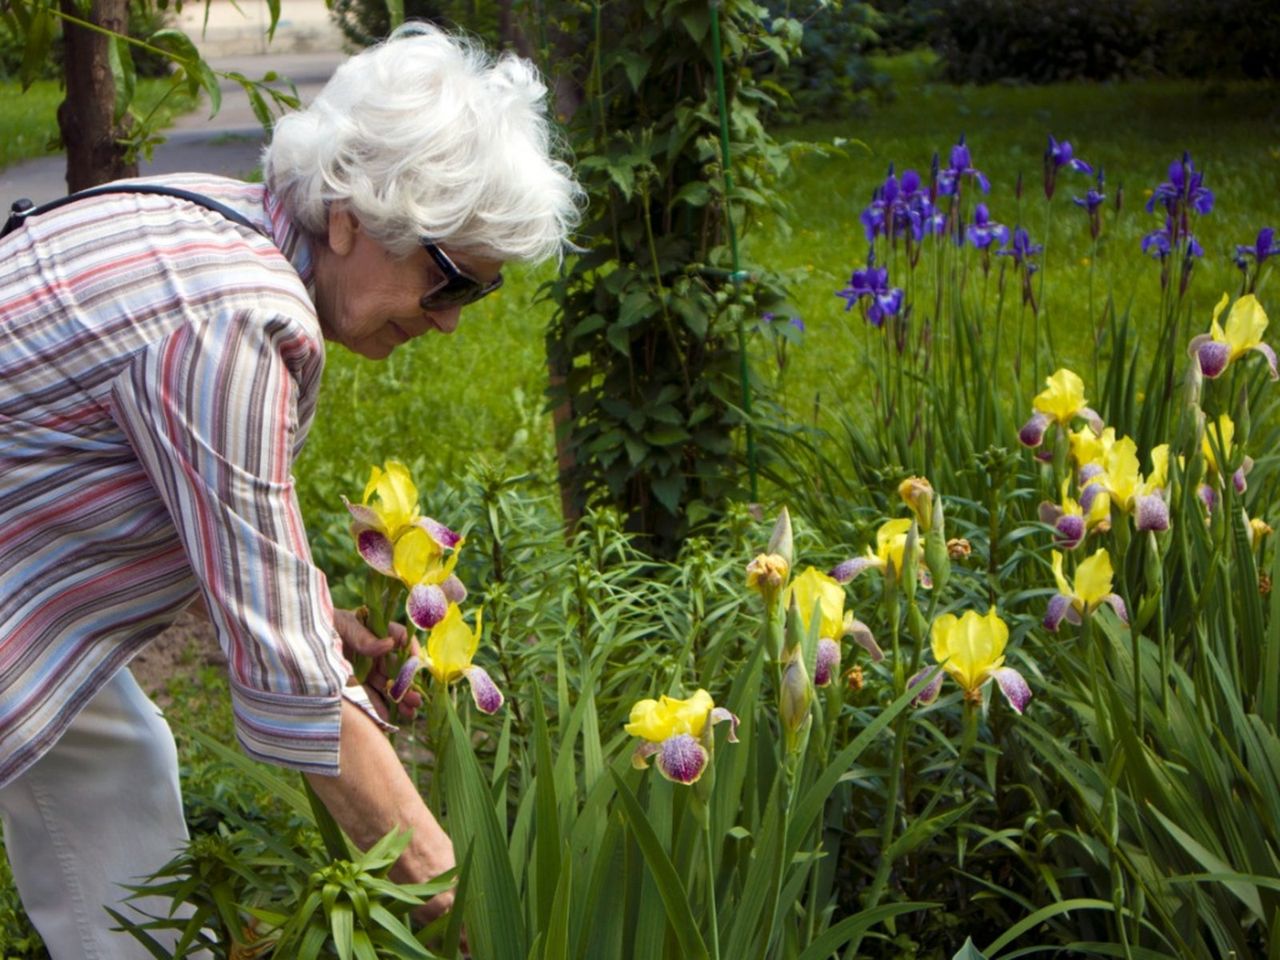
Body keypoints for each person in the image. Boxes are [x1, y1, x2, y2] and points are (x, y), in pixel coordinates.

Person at [0, 23, 581, 958]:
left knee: (113, 759)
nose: (449, 325)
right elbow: (290, 681)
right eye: (449, 284)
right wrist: (450, 887)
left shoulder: (224, 221)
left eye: (479, 294)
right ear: (349, 214)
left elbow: (209, 506)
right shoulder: (230, 321)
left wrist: (312, 609)